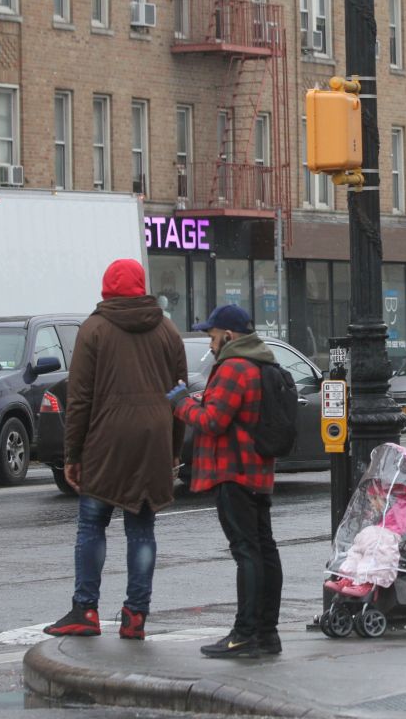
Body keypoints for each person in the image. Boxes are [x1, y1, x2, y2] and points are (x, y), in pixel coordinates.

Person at [44, 258, 187, 640]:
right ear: (142, 286)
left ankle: (85, 609)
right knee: (142, 527)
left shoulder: (94, 329)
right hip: (154, 438)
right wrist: (174, 448)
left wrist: (72, 455)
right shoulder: (168, 331)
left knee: (92, 523)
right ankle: (136, 614)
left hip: (106, 437)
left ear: (106, 288)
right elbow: (179, 395)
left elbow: (80, 398)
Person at [170, 304, 283, 658]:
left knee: (246, 552)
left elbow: (212, 421)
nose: (210, 343)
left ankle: (244, 634)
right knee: (264, 550)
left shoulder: (234, 366)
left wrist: (181, 403)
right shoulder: (261, 362)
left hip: (234, 471)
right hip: (258, 471)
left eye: (213, 335)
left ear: (229, 336)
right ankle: (267, 633)